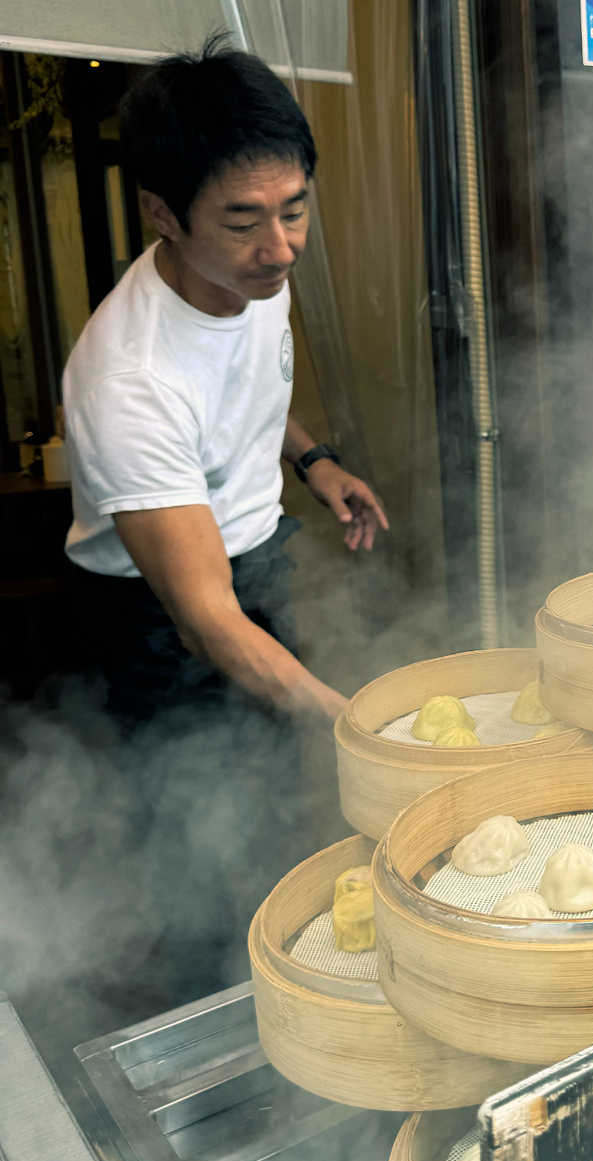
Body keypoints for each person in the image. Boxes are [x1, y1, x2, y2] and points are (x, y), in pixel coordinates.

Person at [60, 36, 386, 1003]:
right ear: (162, 213)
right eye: (244, 221)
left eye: (295, 209)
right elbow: (205, 620)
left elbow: (242, 388)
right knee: (199, 847)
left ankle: (288, 985)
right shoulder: (128, 380)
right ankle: (214, 1026)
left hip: (254, 554)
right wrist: (362, 727)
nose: (280, 247)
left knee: (274, 808)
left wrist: (312, 460)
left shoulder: (249, 275)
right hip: (165, 620)